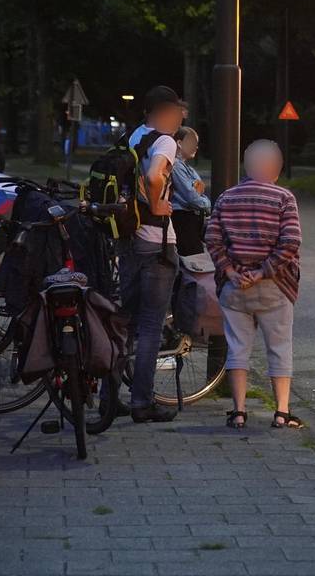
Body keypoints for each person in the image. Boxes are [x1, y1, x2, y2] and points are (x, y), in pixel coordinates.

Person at [205, 140, 303, 429]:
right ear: (276, 169)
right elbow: (291, 242)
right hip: (275, 285)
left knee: (237, 348)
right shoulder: (284, 198)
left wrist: (231, 271)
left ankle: (238, 411)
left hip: (235, 288)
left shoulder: (226, 197)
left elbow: (212, 237)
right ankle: (282, 412)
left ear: (246, 166)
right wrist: (262, 272)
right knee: (280, 347)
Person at [117, 85, 187, 423]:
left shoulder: (135, 137)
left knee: (125, 323)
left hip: (128, 240)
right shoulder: (165, 141)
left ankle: (108, 397)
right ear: (162, 113)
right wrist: (159, 203)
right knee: (150, 327)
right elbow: (154, 174)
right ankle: (141, 402)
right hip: (157, 242)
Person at [170, 127, 211, 257]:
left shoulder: (188, 168)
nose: (196, 147)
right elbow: (192, 197)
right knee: (192, 260)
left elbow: (199, 192)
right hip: (183, 220)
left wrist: (199, 195)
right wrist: (206, 202)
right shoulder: (176, 166)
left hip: (191, 220)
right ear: (179, 143)